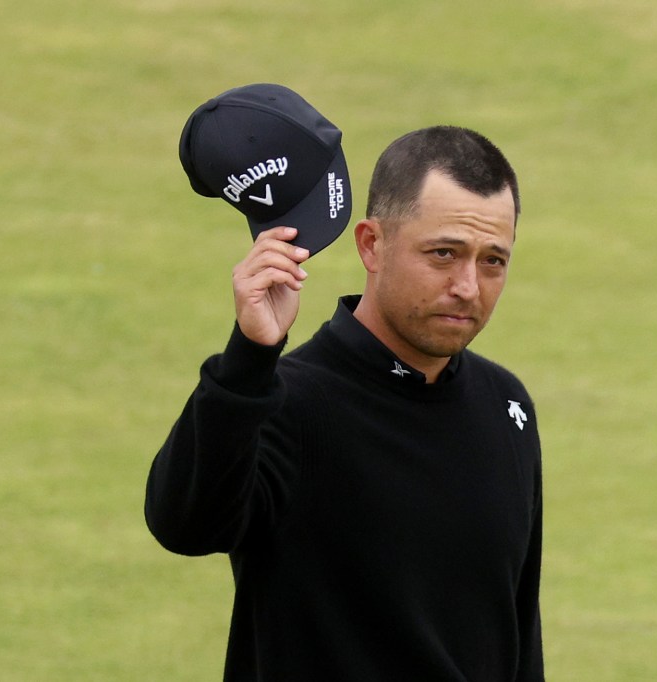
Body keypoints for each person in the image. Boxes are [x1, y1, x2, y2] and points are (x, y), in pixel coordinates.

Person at [145, 125, 544, 681]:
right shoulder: (286, 401)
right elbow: (184, 525)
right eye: (444, 253)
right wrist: (249, 357)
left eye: (492, 261)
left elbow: (518, 637)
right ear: (372, 245)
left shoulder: (506, 407)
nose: (468, 287)